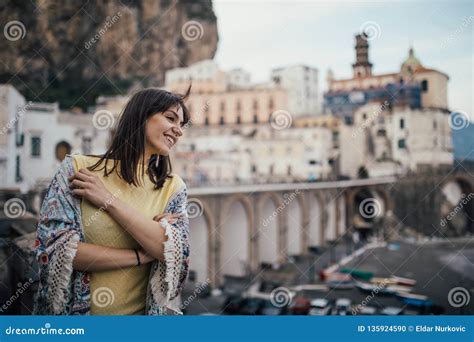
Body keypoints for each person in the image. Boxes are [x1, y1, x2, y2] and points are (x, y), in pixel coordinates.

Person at [33, 87, 191, 315]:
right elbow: (55, 250)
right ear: (142, 115)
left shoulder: (172, 188)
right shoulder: (77, 169)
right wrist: (141, 254)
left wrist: (108, 200)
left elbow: (178, 253)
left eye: (182, 125)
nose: (178, 131)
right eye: (170, 118)